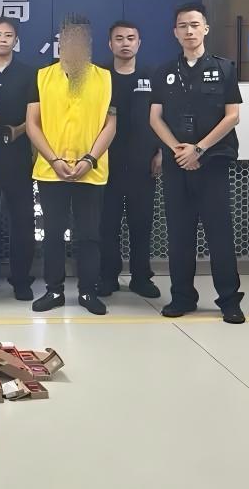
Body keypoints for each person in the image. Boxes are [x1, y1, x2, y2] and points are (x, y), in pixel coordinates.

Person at [150, 2, 245, 324]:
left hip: (212, 163)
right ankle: (182, 297)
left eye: (194, 25)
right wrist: (179, 150)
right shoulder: (164, 71)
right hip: (177, 164)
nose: (189, 31)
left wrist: (199, 149)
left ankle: (229, 300)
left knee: (220, 234)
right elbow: (155, 118)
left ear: (205, 28)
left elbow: (232, 116)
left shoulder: (225, 68)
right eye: (183, 26)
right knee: (179, 234)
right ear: (174, 32)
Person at [26, 14, 115, 316]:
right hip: (51, 171)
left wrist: (90, 159)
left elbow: (111, 124)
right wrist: (54, 160)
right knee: (53, 233)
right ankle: (54, 290)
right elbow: (32, 123)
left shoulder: (105, 77)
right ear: (60, 41)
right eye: (69, 38)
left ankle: (88, 291)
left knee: (89, 234)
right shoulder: (42, 77)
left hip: (91, 171)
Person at [98, 21, 161, 299]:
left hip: (143, 162)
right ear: (110, 44)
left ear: (139, 43)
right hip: (106, 162)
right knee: (107, 224)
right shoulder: (99, 77)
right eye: (119, 38)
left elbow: (163, 117)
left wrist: (161, 152)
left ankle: (141, 277)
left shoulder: (152, 76)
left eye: (131, 38)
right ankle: (107, 277)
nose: (125, 43)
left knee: (141, 223)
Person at [0, 17, 37, 300]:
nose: (3, 39)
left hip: (18, 153)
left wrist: (19, 130)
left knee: (23, 221)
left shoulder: (29, 74)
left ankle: (21, 279)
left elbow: (39, 115)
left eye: (8, 35)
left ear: (16, 40)